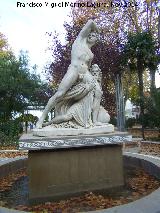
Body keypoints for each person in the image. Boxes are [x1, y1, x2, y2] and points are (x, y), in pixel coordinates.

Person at [36, 20, 99, 128]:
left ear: (95, 40)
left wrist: (87, 78)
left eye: (94, 35)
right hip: (74, 70)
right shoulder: (80, 40)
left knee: (98, 91)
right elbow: (90, 22)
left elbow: (87, 66)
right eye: (90, 34)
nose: (91, 35)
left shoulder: (91, 54)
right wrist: (97, 30)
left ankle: (94, 120)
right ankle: (41, 119)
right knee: (59, 94)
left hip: (84, 73)